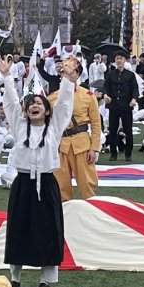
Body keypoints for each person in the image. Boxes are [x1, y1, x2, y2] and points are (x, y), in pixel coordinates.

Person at [0, 56, 77, 287]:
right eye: (31, 103)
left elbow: (64, 104)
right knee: (19, 229)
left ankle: (45, 279)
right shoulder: (19, 124)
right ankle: (15, 276)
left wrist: (66, 78)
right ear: (26, 109)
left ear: (46, 109)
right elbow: (11, 102)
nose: (35, 106)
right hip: (23, 184)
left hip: (47, 183)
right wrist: (7, 76)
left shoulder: (54, 126)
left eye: (40, 104)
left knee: (47, 230)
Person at [48, 70, 101, 201]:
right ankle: (63, 216)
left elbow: (96, 124)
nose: (69, 74)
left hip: (81, 144)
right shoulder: (53, 97)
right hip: (61, 145)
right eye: (65, 72)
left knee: (87, 186)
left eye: (72, 72)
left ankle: (90, 214)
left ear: (77, 74)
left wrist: (94, 148)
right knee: (60, 187)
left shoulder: (88, 96)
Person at [103, 47, 138, 162]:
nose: (119, 61)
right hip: (114, 106)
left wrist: (133, 99)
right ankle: (113, 153)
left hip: (127, 106)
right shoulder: (110, 74)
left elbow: (135, 89)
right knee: (112, 130)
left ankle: (128, 153)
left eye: (121, 59)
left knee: (128, 130)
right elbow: (106, 87)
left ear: (124, 60)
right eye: (117, 59)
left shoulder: (130, 75)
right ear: (115, 61)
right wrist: (105, 95)